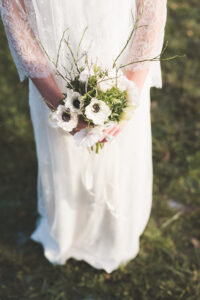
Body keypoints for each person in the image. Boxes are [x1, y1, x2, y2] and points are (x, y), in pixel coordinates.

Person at [0, 0, 167, 273]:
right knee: (64, 154)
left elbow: (151, 8)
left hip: (121, 61)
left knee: (120, 154)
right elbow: (15, 14)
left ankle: (116, 229)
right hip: (55, 69)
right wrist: (58, 102)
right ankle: (70, 227)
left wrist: (129, 95)